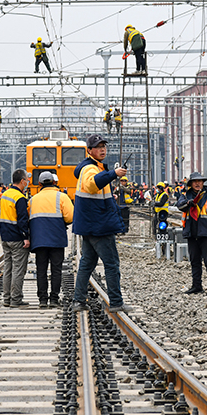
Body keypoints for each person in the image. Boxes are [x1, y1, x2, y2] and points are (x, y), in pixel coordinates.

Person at [71, 134, 132, 312]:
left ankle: (78, 301)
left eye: (104, 146)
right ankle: (116, 302)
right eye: (98, 147)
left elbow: (94, 192)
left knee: (87, 263)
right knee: (112, 264)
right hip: (98, 226)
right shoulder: (90, 169)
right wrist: (114, 173)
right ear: (89, 151)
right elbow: (92, 185)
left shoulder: (91, 167)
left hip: (90, 224)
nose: (102, 149)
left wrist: (108, 198)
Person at [29, 171, 74, 309]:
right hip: (57, 239)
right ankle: (54, 299)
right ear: (54, 182)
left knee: (41, 270)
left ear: (40, 184)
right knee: (56, 270)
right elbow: (70, 217)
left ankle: (42, 300)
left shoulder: (32, 200)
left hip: (39, 241)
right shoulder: (62, 197)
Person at [176, 172, 207, 294]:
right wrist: (188, 203)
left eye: (200, 181)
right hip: (192, 232)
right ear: (191, 184)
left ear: (203, 183)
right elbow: (179, 205)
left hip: (206, 231)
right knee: (194, 260)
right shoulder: (186, 195)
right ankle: (196, 285)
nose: (198, 183)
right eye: (195, 181)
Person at [0, 169, 31, 308]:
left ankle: (7, 298)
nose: (27, 182)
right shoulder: (20, 198)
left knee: (8, 268)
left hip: (5, 236)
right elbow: (23, 220)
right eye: (26, 180)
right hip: (17, 237)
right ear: (22, 181)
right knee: (18, 269)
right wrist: (26, 237)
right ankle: (16, 299)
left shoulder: (5, 194)